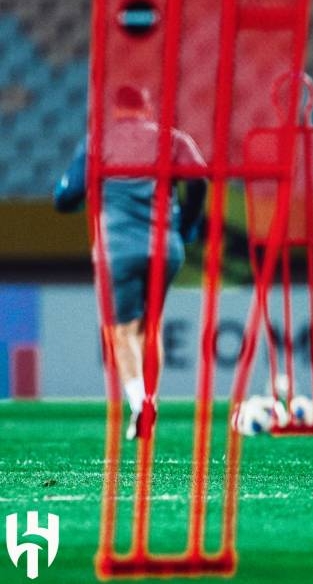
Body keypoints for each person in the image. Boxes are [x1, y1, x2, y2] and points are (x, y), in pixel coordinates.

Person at [54, 84, 207, 440]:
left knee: (123, 331)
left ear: (115, 109)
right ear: (147, 108)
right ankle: (151, 397)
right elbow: (200, 179)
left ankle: (139, 403)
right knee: (151, 326)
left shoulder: (98, 141)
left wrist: (84, 194)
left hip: (118, 249)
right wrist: (187, 223)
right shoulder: (172, 139)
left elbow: (66, 196)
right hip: (165, 246)